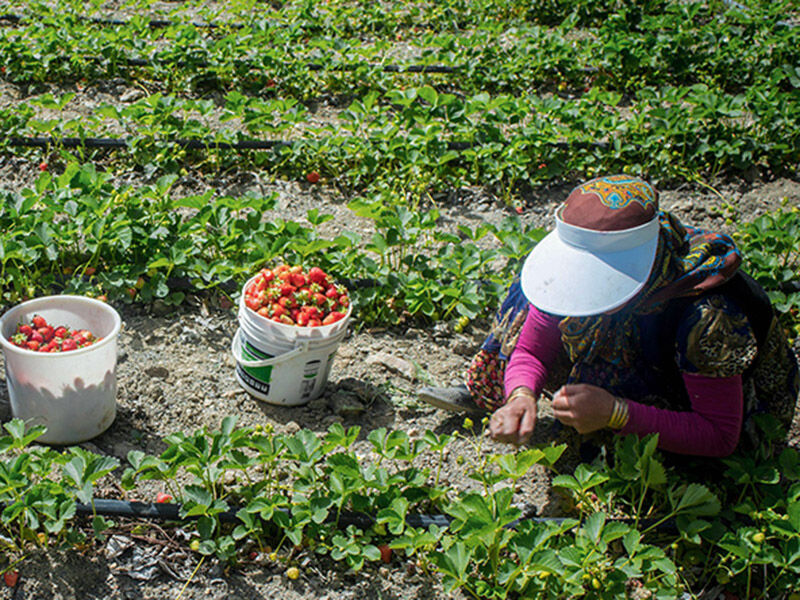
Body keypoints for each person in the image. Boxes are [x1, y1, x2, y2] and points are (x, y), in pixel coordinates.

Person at [419, 174, 799, 458]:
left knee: (677, 464)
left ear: (636, 272)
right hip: (640, 354)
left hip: (715, 416)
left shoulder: (707, 315)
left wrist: (617, 413)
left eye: (596, 284)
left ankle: (609, 422)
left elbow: (719, 435)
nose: (581, 293)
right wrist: (520, 394)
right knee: (529, 291)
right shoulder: (569, 274)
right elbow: (533, 349)